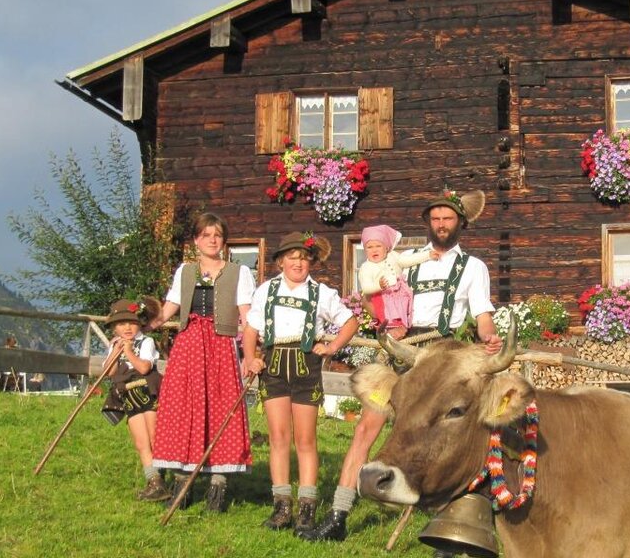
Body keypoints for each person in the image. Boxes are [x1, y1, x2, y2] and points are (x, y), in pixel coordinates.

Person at [300, 189, 502, 543]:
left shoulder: (473, 267)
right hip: (401, 349)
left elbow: (481, 314)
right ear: (427, 223)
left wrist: (489, 338)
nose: (440, 225)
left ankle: (448, 528)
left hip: (442, 356)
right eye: (435, 218)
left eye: (447, 219)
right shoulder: (405, 259)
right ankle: (338, 514)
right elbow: (373, 294)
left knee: (442, 439)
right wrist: (375, 305)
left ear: (460, 223)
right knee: (366, 429)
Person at [240, 231, 358, 536]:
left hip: (306, 366)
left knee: (305, 440)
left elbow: (350, 322)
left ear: (311, 263)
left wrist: (332, 348)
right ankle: (281, 505)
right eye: (292, 257)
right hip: (274, 365)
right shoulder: (266, 290)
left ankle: (307, 507)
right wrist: (250, 356)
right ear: (280, 261)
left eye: (304, 258)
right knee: (278, 437)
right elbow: (251, 327)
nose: (298, 263)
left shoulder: (322, 293)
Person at [144, 212, 257, 512]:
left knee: (221, 408)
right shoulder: (186, 271)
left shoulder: (238, 273)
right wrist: (147, 324)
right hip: (189, 345)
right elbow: (170, 307)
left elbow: (247, 315)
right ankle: (183, 478)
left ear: (224, 240)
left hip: (221, 345)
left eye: (217, 234)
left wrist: (250, 354)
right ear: (196, 240)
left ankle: (218, 483)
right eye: (206, 234)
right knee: (184, 408)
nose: (212, 239)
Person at [99, 297, 169, 501]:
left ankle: (164, 474)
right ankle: (154, 481)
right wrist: (115, 352)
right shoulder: (114, 345)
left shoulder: (145, 342)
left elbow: (144, 367)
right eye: (121, 324)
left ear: (139, 323)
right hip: (128, 396)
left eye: (131, 323)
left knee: (155, 437)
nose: (127, 328)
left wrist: (128, 351)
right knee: (141, 442)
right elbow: (110, 372)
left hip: (148, 393)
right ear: (114, 328)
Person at [357, 224, 438, 330]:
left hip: (401, 293)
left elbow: (407, 260)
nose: (374, 250)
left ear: (386, 248)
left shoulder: (393, 256)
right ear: (365, 250)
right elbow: (366, 288)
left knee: (407, 311)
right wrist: (379, 285)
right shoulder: (366, 267)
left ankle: (405, 323)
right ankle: (391, 326)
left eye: (378, 246)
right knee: (388, 315)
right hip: (383, 296)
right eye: (369, 247)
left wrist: (428, 255)